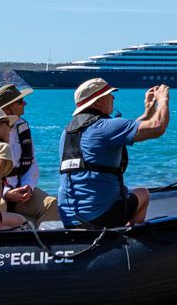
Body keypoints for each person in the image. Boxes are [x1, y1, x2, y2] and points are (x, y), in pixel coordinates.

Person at [60, 79, 170, 227]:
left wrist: (148, 111)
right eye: (109, 94)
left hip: (70, 218)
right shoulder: (104, 127)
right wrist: (163, 100)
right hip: (98, 217)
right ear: (97, 102)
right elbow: (157, 127)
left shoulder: (68, 131)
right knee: (143, 194)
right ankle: (131, 238)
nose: (113, 98)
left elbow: (125, 131)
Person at [0, 84, 61, 228]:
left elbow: (31, 161)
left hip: (22, 190)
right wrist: (6, 193)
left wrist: (28, 187)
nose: (25, 103)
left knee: (51, 203)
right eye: (20, 101)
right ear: (9, 107)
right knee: (0, 206)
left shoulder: (23, 126)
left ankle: (49, 246)